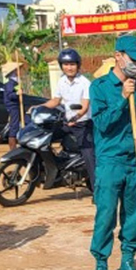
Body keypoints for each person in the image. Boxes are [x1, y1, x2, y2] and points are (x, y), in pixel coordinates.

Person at [89, 35, 136, 270]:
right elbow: (102, 124)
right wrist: (121, 97)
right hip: (110, 161)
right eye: (133, 59)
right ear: (118, 56)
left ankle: (128, 261)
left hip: (135, 161)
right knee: (106, 214)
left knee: (133, 215)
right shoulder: (99, 87)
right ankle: (101, 265)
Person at [38, 49, 96, 190]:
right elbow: (56, 101)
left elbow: (84, 106)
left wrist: (76, 117)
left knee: (89, 156)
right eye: (65, 64)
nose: (69, 68)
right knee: (44, 138)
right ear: (61, 66)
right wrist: (38, 108)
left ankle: (97, 190)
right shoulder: (61, 81)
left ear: (78, 65)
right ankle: (55, 168)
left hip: (82, 124)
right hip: (66, 122)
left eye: (72, 64)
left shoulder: (84, 83)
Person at [2, 61, 28, 150]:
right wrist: (17, 94)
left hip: (17, 106)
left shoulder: (16, 82)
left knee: (26, 121)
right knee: (14, 126)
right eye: (19, 70)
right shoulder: (11, 83)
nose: (21, 71)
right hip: (13, 107)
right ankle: (13, 148)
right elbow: (9, 96)